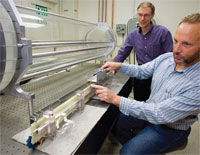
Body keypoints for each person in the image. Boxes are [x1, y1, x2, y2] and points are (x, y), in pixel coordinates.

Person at [91, 13, 200, 154]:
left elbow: (159, 113)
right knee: (114, 122)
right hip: (150, 114)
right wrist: (119, 66)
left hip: (170, 129)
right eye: (176, 41)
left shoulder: (197, 84)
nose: (176, 50)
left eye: (186, 44)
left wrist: (115, 99)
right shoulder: (167, 59)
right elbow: (142, 70)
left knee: (127, 153)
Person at [113, 2, 173, 100]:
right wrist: (113, 66)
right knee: (139, 105)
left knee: (156, 106)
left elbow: (170, 57)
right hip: (141, 77)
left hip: (158, 76)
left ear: (152, 15)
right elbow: (123, 53)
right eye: (140, 15)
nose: (142, 19)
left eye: (146, 15)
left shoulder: (163, 32)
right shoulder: (132, 35)